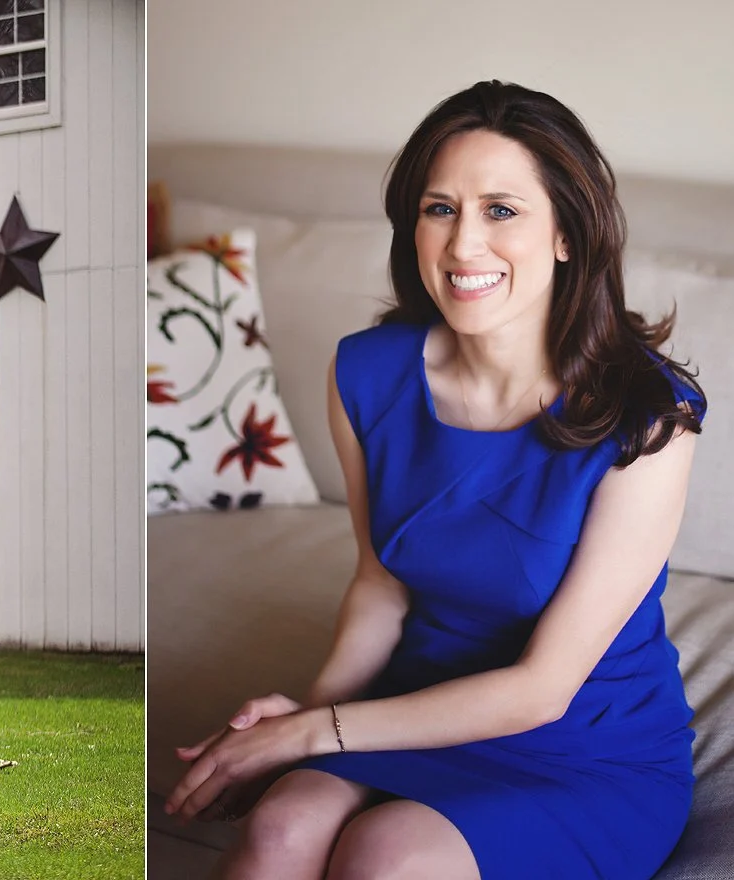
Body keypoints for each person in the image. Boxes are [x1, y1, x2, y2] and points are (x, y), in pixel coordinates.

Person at [166, 81, 706, 879]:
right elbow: (382, 584)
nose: (462, 247)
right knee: (280, 831)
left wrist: (313, 733)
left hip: (583, 748)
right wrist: (315, 714)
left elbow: (541, 690)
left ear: (567, 234)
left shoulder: (648, 417)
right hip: (409, 709)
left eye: (501, 210)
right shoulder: (366, 373)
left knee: (387, 857)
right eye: (440, 209)